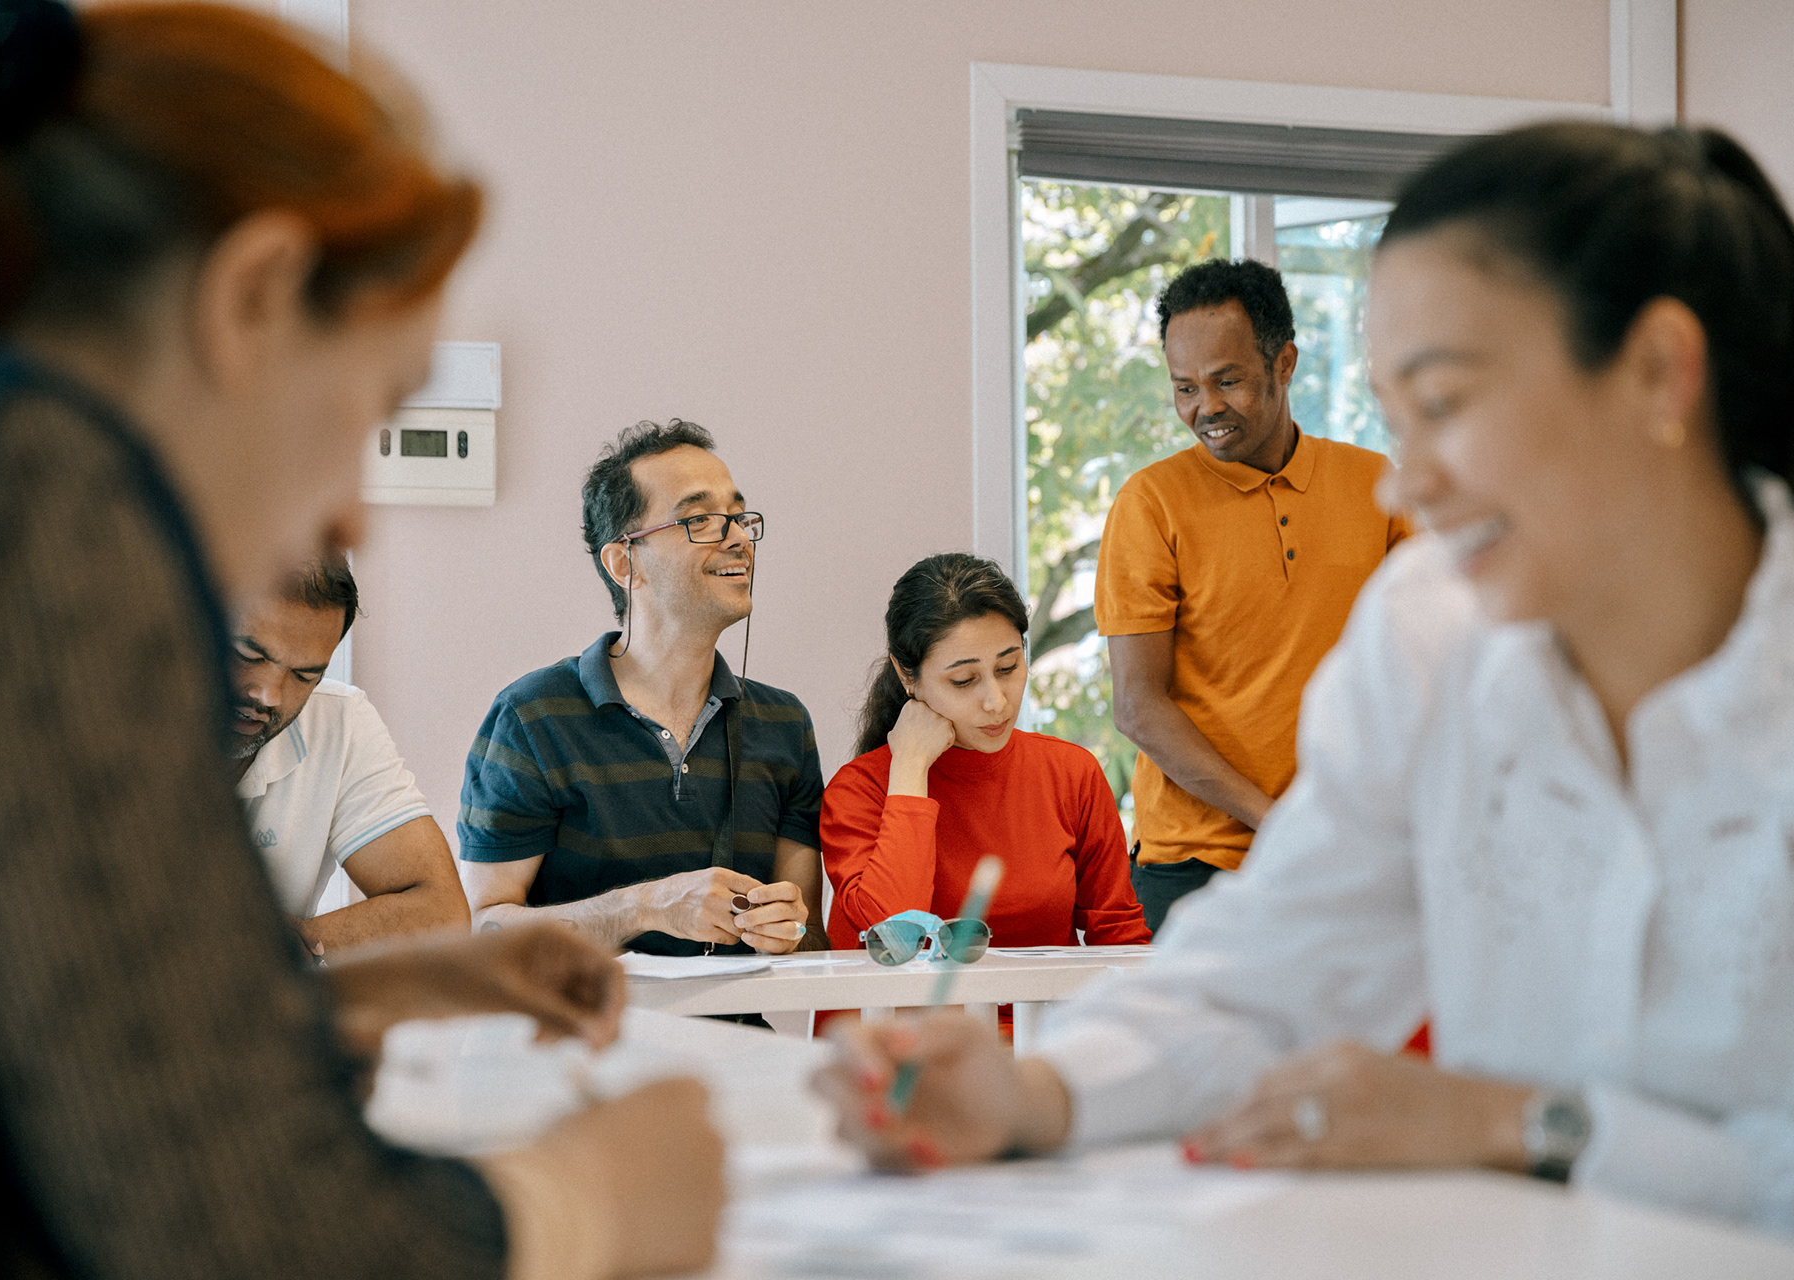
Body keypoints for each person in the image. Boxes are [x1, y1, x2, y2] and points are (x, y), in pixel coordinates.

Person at [813, 121, 1794, 1244]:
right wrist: (1034, 1094)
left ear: (1657, 372)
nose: (1408, 484)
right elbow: (1263, 971)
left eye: (1446, 404)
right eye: (1395, 421)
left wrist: (1525, 1124)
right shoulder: (1433, 632)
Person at [0, 3, 720, 1277]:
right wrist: (587, 1198)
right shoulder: (35, 490)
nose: (354, 510)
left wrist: (389, 988)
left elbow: (59, 1047)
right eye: (376, 405)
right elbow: (231, 1220)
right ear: (253, 295)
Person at [1098, 259, 1409, 932]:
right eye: (1184, 387)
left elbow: (1423, 669)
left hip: (1344, 858)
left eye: (1226, 380)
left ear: (1284, 362)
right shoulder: (1151, 505)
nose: (1203, 406)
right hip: (1194, 871)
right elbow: (1138, 706)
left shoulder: (1376, 487)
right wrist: (1275, 819)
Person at [458, 420, 826, 956]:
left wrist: (789, 930)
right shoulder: (533, 717)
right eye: (699, 518)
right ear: (623, 562)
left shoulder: (784, 724)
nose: (740, 538)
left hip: (737, 1039)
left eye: (739, 517)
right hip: (582, 1039)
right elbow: (484, 930)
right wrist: (646, 907)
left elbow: (810, 939)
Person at [821, 553, 1149, 959]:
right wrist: (908, 769)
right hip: (910, 1023)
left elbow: (1121, 939)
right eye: (964, 680)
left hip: (1040, 1021)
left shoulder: (1071, 773)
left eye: (1008, 667)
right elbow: (894, 938)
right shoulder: (859, 790)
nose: (996, 702)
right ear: (908, 675)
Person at [231, 557, 470, 954]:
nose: (269, 695)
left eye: (304, 676)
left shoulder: (339, 721)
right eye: (248, 654)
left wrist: (282, 948)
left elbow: (442, 914)